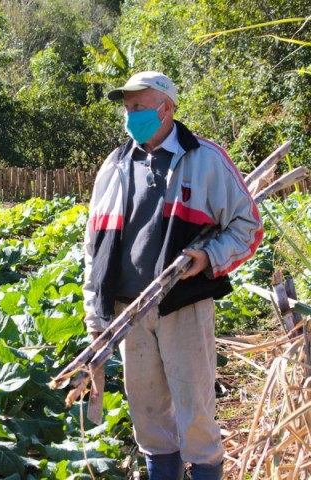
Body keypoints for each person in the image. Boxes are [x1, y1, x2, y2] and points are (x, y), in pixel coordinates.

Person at [82, 71, 263, 480]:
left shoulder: (204, 159)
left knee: (195, 415)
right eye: (127, 108)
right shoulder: (114, 166)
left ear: (167, 108)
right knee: (149, 419)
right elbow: (93, 246)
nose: (131, 116)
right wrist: (95, 312)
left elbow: (247, 226)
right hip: (128, 313)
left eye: (139, 107)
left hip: (181, 305)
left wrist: (208, 256)